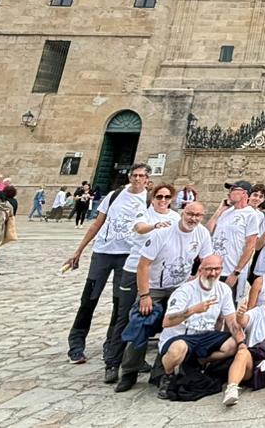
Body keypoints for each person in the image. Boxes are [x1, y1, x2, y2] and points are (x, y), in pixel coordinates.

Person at [116, 201, 211, 392]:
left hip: (180, 288)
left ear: (202, 217)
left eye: (198, 215)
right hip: (154, 288)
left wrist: (196, 283)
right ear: (182, 213)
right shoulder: (163, 233)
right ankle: (129, 372)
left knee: (174, 329)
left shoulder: (202, 234)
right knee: (141, 325)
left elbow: (207, 261)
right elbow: (143, 265)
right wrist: (144, 295)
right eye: (190, 214)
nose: (193, 218)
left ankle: (160, 374)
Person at [63, 164, 152, 366]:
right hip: (102, 253)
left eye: (141, 176)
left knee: (120, 304)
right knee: (89, 299)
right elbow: (97, 223)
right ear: (130, 176)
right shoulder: (114, 195)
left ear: (147, 179)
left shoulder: (148, 201)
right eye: (134, 175)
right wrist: (79, 250)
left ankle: (111, 346)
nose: (137, 179)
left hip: (128, 258)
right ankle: (76, 345)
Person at [105, 182, 178, 384]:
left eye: (166, 197)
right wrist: (155, 226)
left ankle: (139, 363)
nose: (162, 200)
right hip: (133, 270)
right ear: (152, 198)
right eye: (159, 197)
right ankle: (112, 361)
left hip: (157, 277)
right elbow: (139, 228)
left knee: (149, 320)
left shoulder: (175, 218)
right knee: (125, 316)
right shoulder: (144, 214)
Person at [157, 255, 240, 386]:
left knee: (233, 344)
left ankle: (199, 361)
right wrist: (193, 310)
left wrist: (241, 341)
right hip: (181, 336)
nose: (213, 273)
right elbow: (166, 321)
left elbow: (231, 320)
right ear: (200, 270)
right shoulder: (185, 291)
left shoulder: (224, 290)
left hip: (204, 336)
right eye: (208, 269)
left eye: (217, 269)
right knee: (178, 349)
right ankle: (168, 374)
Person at [207, 181, 264, 300]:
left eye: (233, 189)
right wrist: (219, 210)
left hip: (229, 270)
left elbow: (250, 246)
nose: (229, 193)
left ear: (244, 193)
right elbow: (208, 232)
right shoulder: (226, 212)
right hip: (212, 268)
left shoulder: (250, 215)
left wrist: (236, 272)